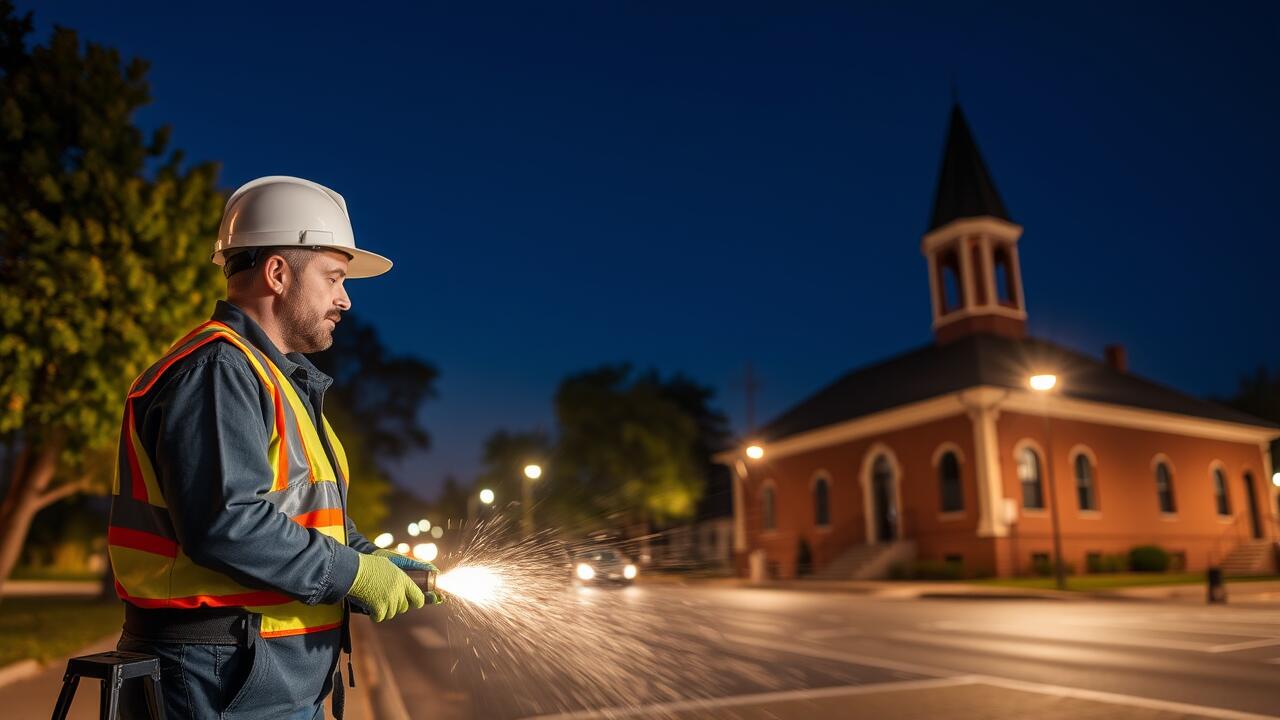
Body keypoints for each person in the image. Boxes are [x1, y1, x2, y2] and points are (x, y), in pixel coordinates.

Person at [107, 176, 436, 719]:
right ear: (278, 273)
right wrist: (351, 574)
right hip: (218, 674)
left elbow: (311, 518)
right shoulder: (219, 369)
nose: (345, 299)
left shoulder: (274, 379)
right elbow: (227, 521)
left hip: (252, 674)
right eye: (334, 277)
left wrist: (372, 559)